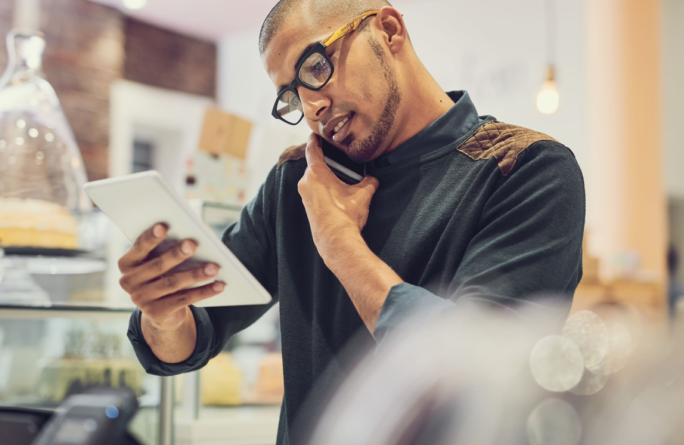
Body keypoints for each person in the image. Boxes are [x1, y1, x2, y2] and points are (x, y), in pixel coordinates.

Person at [121, 1, 586, 443]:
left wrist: (340, 244)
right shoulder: (298, 179)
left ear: (389, 30)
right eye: (292, 96)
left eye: (315, 67)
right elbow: (192, 335)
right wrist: (163, 313)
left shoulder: (525, 169)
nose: (311, 107)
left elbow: (475, 374)